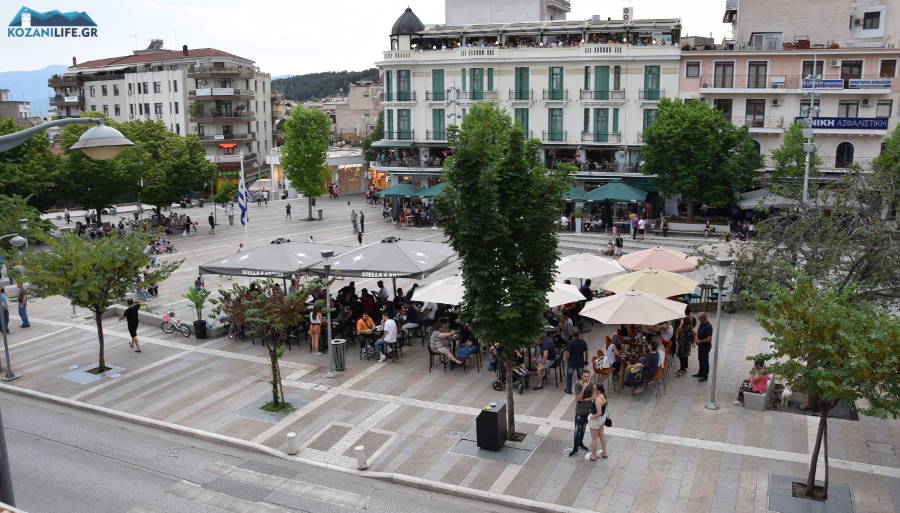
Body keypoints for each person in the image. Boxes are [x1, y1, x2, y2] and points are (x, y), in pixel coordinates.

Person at [568, 369, 594, 458]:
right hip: (579, 411)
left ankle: (580, 443)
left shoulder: (591, 384)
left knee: (583, 428)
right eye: (585, 376)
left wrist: (586, 399)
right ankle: (575, 448)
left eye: (588, 376)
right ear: (582, 376)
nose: (586, 378)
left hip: (588, 411)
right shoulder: (578, 385)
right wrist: (583, 388)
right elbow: (578, 398)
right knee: (576, 430)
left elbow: (594, 396)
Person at [587, 383, 609, 460]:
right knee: (602, 435)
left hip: (596, 420)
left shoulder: (598, 400)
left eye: (594, 389)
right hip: (602, 418)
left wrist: (591, 417)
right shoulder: (604, 396)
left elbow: (599, 413)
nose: (593, 389)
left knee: (594, 439)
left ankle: (593, 456)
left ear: (599, 391)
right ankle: (604, 453)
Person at [563, 329, 588, 394]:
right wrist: (586, 360)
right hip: (580, 363)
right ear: (579, 335)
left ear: (572, 335)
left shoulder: (570, 343)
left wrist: (566, 360)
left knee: (569, 377)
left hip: (571, 363)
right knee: (580, 377)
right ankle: (581, 391)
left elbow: (567, 354)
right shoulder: (583, 342)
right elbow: (586, 352)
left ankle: (569, 390)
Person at [675, 309, 696, 376]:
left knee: (682, 356)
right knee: (684, 356)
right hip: (685, 345)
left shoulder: (686, 328)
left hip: (684, 345)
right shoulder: (688, 327)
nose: (682, 321)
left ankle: (682, 369)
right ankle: (684, 368)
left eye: (683, 320)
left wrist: (681, 325)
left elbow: (679, 332)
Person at [693, 312, 713, 382]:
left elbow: (709, 339)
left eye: (699, 318)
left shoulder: (708, 326)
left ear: (702, 318)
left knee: (704, 361)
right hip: (701, 346)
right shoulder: (701, 324)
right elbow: (698, 331)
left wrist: (700, 341)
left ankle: (705, 376)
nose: (698, 319)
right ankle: (700, 373)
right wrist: (696, 337)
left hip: (705, 347)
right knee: (700, 359)